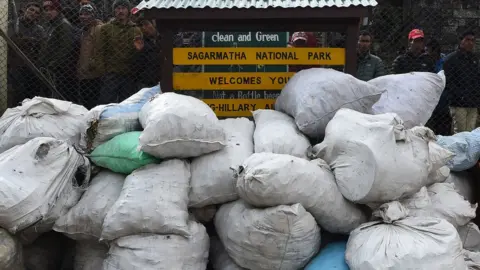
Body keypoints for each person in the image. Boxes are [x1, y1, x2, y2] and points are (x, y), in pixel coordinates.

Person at [95, 0, 143, 104]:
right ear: (114, 11)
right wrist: (103, 71)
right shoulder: (106, 28)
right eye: (118, 8)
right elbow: (100, 51)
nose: (120, 11)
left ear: (128, 11)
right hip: (111, 73)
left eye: (123, 8)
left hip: (129, 73)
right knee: (106, 102)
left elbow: (139, 53)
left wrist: (138, 51)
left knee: (127, 103)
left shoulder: (135, 30)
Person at [7, 2, 46, 105]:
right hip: (14, 65)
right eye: (31, 10)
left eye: (37, 12)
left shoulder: (39, 29)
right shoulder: (13, 24)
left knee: (30, 95)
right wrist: (28, 41)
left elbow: (41, 46)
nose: (33, 13)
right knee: (16, 94)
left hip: (31, 67)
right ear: (25, 10)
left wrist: (25, 40)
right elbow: (10, 42)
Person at [444, 31, 480, 133]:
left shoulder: (474, 59)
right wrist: (460, 96)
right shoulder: (451, 59)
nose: (470, 43)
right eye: (467, 40)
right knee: (460, 133)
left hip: (472, 103)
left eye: (473, 40)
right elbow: (448, 82)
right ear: (461, 41)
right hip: (458, 103)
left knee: (470, 133)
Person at [40, 0, 76, 100]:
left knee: (57, 97)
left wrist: (52, 64)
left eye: (51, 9)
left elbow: (66, 49)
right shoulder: (51, 25)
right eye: (46, 10)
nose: (48, 12)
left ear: (58, 10)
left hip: (59, 71)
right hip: (50, 70)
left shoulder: (63, 25)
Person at [76, 4, 103, 109]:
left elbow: (100, 49)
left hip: (94, 73)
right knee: (85, 101)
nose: (83, 16)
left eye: (87, 14)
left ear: (93, 15)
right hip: (84, 72)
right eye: (81, 14)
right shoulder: (84, 30)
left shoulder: (98, 28)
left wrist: (93, 63)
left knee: (92, 102)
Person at [424, 39, 451, 135]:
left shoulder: (445, 62)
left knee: (443, 127)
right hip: (430, 99)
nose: (426, 53)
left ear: (435, 51)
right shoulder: (425, 61)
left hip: (443, 99)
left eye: (428, 50)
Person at [133, 19, 161, 89]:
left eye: (146, 24)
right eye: (141, 26)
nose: (144, 28)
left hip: (164, 79)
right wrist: (139, 51)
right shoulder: (141, 42)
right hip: (147, 81)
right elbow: (137, 66)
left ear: (154, 23)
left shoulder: (166, 38)